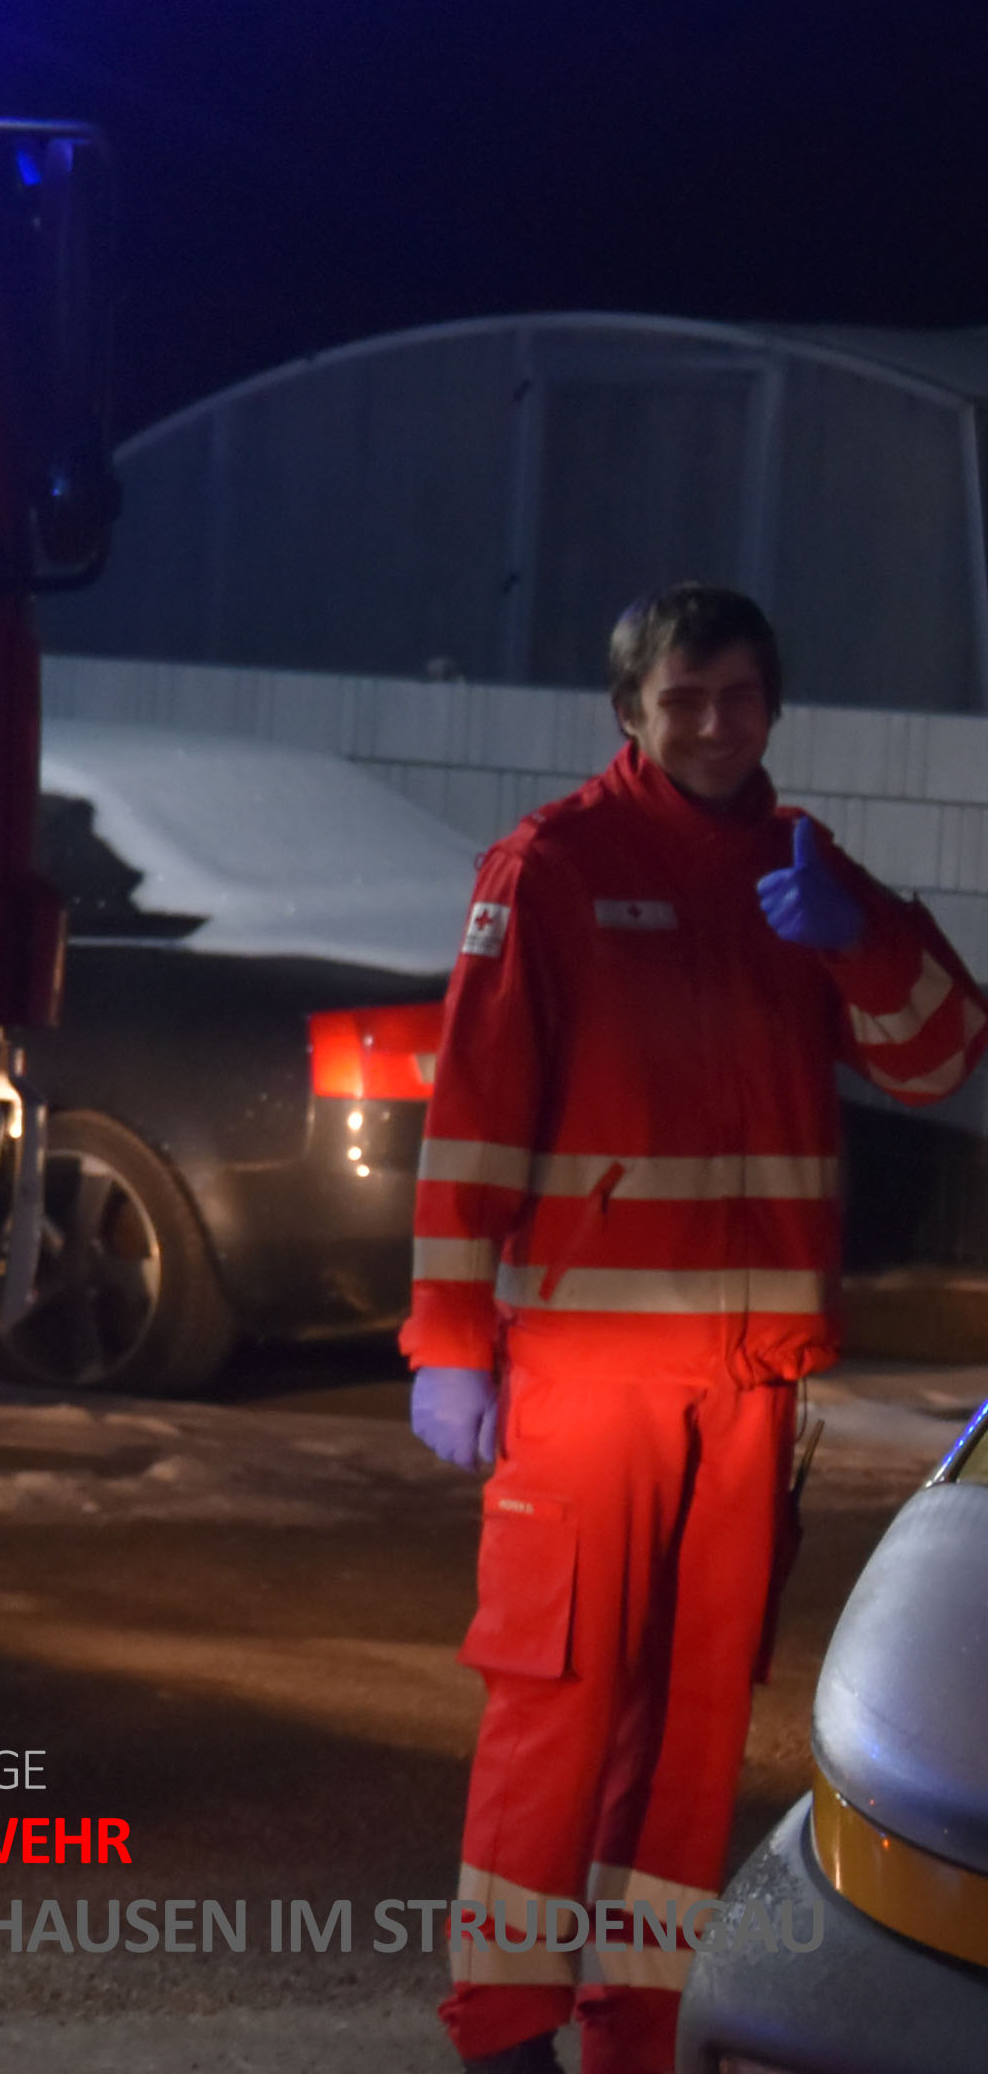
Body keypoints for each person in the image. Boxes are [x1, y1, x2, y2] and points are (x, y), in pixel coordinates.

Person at [406, 582, 986, 2074]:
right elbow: (471, 1123)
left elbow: (942, 1055)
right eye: (683, 701)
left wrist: (860, 939)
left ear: (772, 707)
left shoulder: (802, 872)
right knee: (555, 1710)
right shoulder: (552, 869)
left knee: (692, 1735)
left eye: (738, 697)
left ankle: (638, 2027)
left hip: (743, 1391)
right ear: (630, 714)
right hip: (587, 1383)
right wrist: (448, 1339)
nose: (715, 726)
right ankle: (504, 2030)